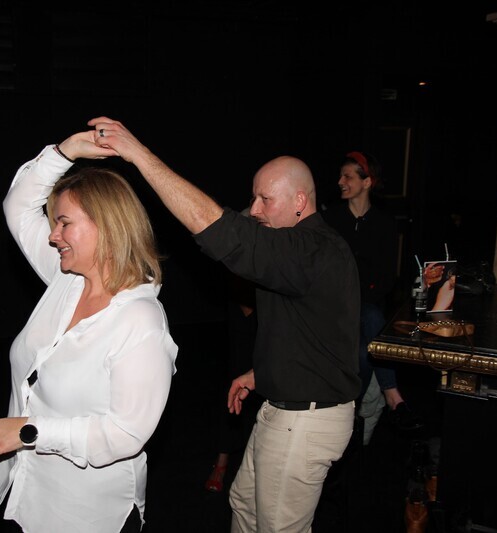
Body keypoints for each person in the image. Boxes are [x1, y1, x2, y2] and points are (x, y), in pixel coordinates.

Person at [90, 116, 361, 532]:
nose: (255, 209)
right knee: (244, 508)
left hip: (305, 421)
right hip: (285, 409)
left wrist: (138, 155)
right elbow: (315, 332)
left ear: (299, 201)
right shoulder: (301, 256)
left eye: (265, 199)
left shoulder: (311, 249)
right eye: (254, 198)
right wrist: (262, 372)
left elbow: (223, 231)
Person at [0, 132, 178, 533]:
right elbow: (18, 206)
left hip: (88, 513)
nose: (53, 235)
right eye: (54, 224)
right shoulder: (66, 280)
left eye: (64, 223)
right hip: (30, 492)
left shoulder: (140, 321)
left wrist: (28, 432)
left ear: (108, 226)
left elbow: (124, 434)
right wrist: (65, 152)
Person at [323, 151, 424, 433]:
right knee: (372, 320)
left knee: (364, 349)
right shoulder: (330, 219)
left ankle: (354, 411)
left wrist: (362, 295)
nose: (340, 181)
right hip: (335, 305)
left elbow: (387, 278)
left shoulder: (384, 223)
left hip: (366, 305)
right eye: (341, 176)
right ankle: (392, 394)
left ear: (366, 182)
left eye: (348, 176)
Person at [204, 268, 262, 493]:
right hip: (246, 302)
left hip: (273, 310)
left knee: (264, 387)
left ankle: (257, 465)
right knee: (236, 383)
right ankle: (222, 461)